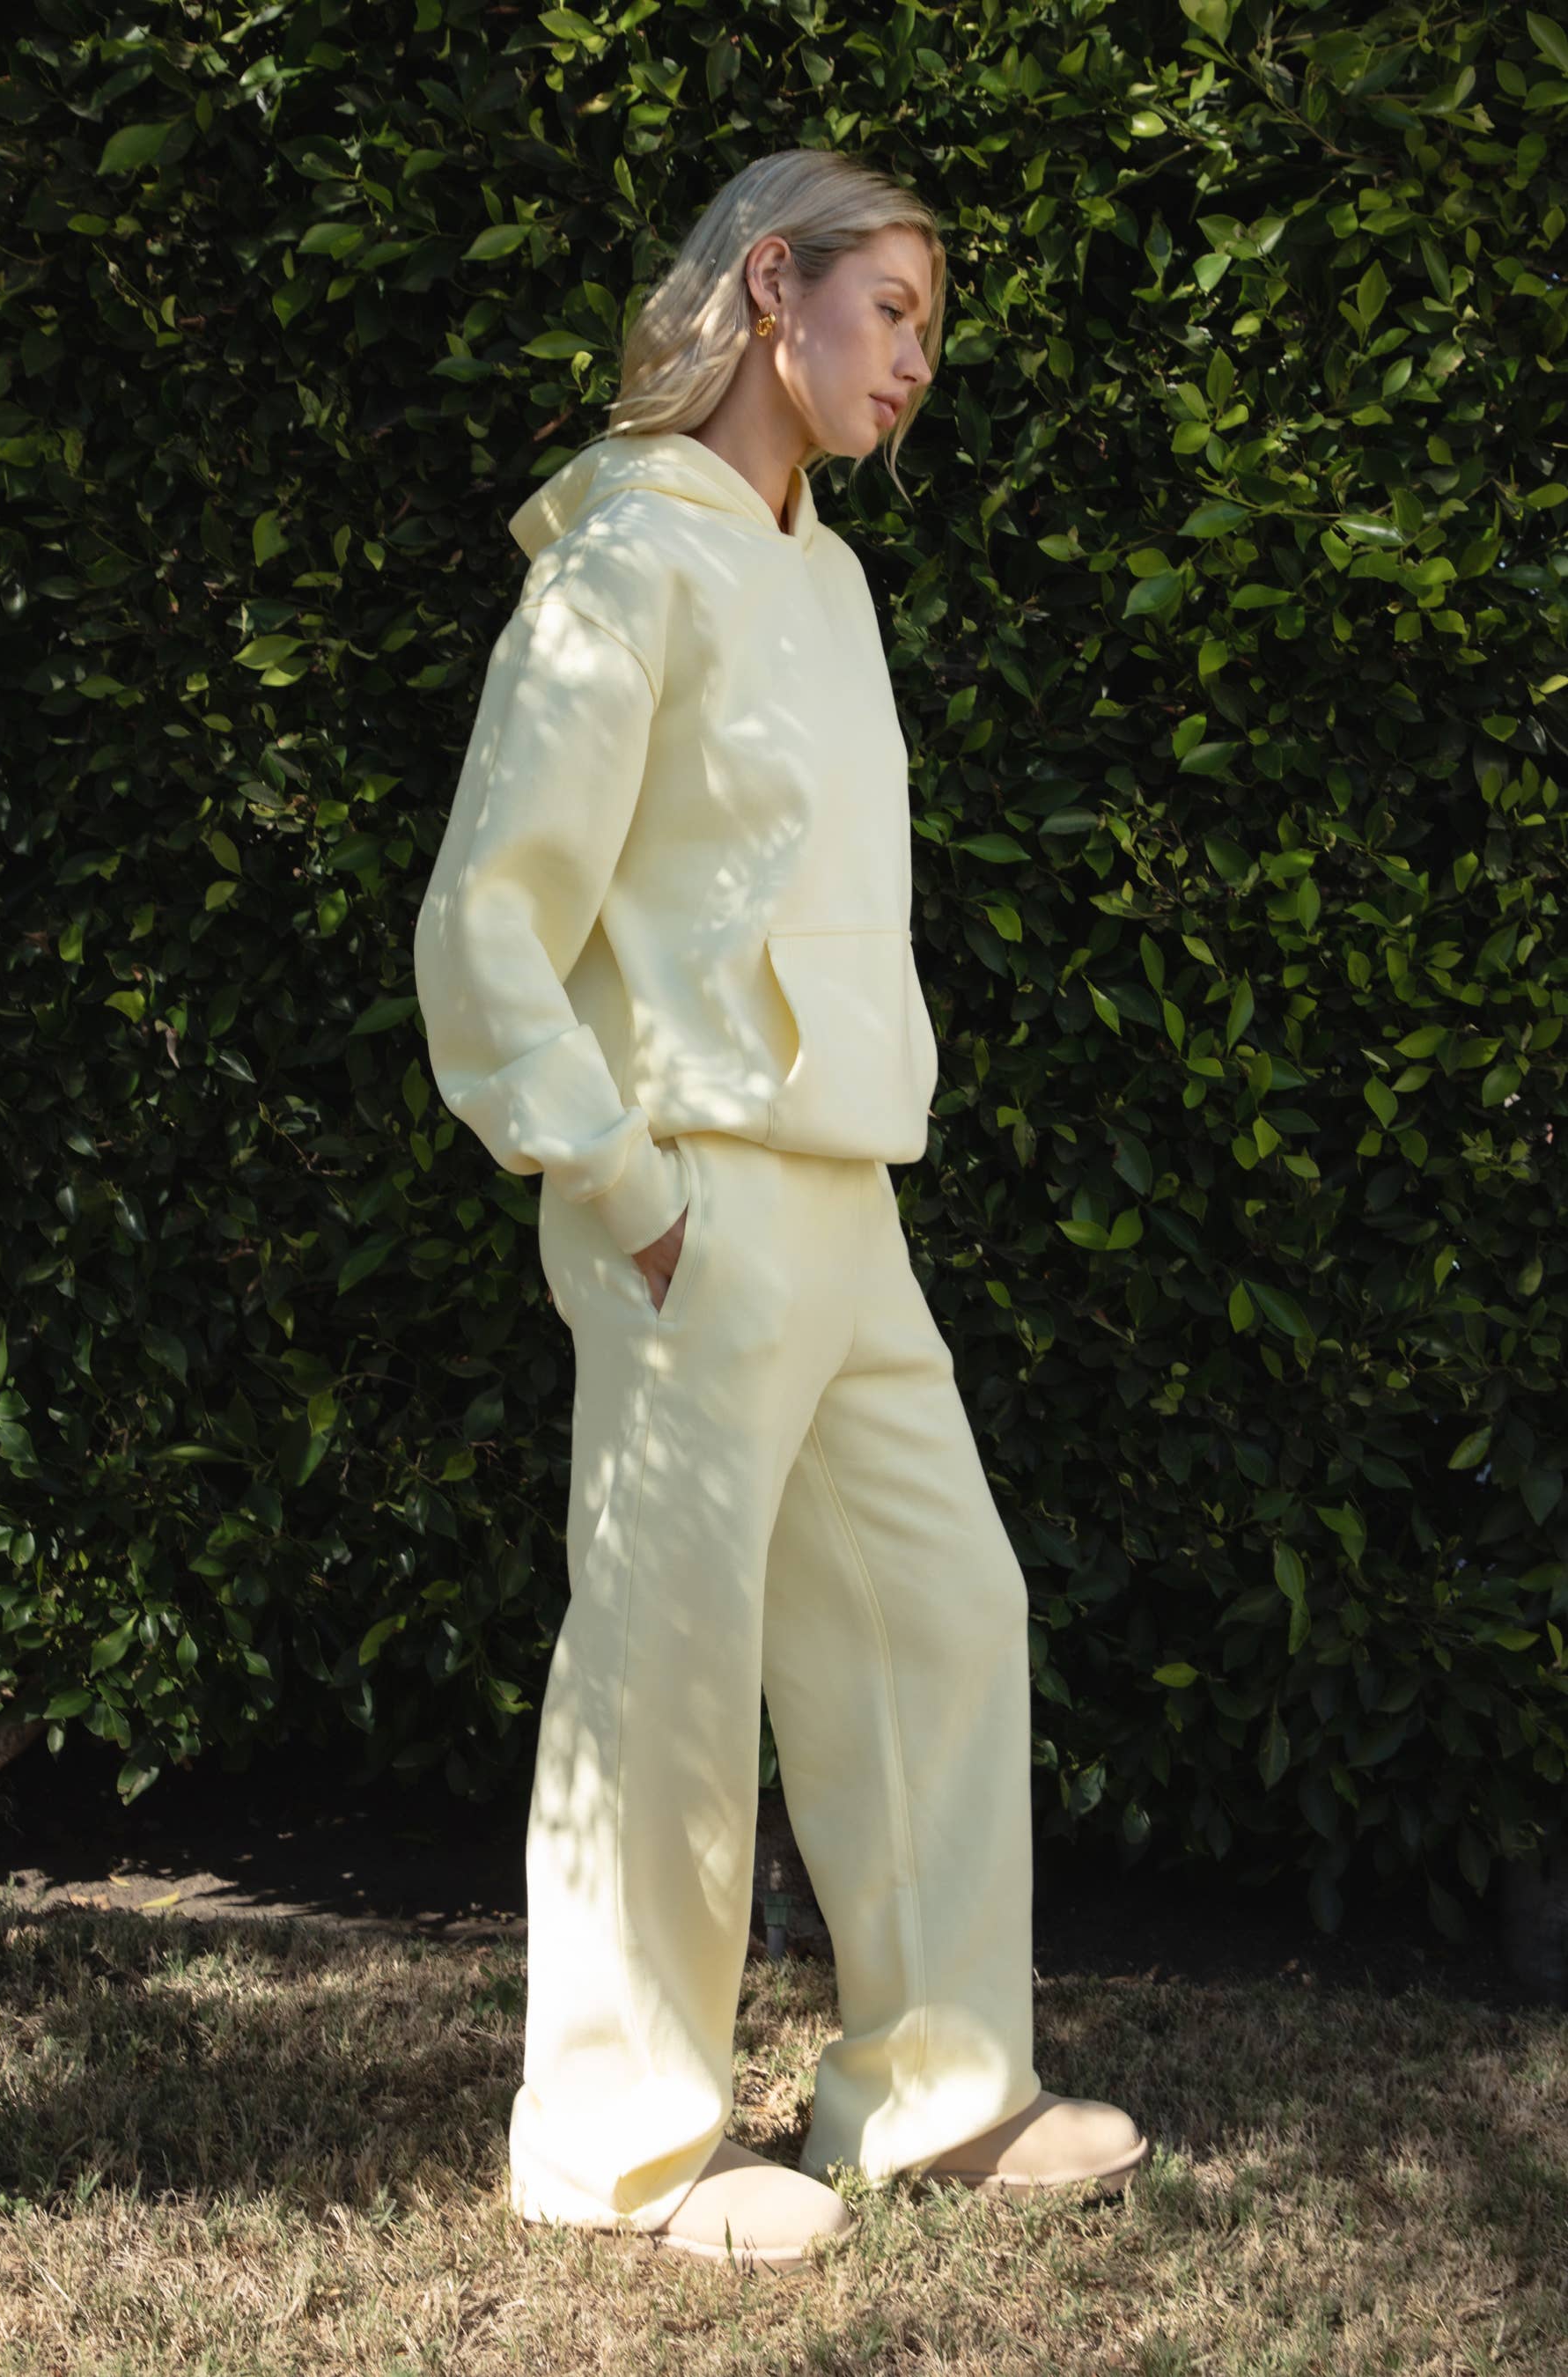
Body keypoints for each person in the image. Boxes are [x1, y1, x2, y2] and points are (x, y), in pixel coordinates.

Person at [413, 147, 1149, 2278]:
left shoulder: (828, 580)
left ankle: (930, 2088)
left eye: (931, 327)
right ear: (771, 289)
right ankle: (622, 2143)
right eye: (891, 309)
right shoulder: (624, 557)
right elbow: (488, 919)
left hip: (847, 1195)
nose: (917, 360)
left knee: (943, 1610)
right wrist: (618, 1181)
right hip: (688, 1196)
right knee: (667, 1660)